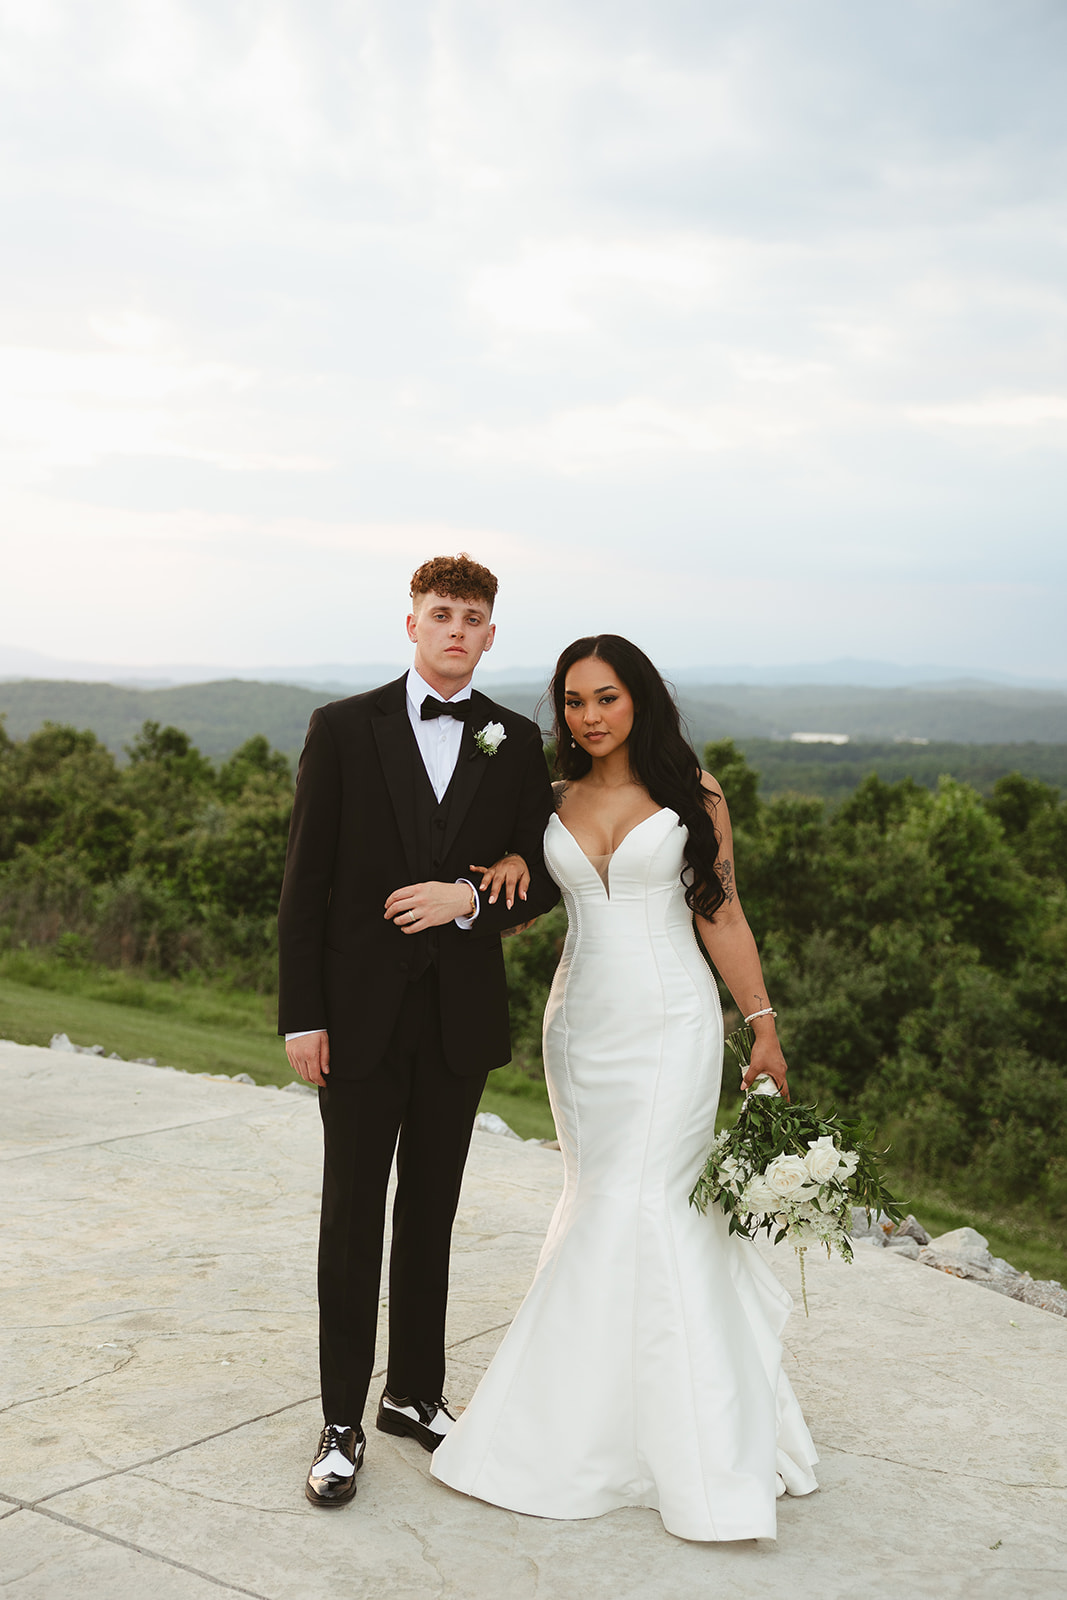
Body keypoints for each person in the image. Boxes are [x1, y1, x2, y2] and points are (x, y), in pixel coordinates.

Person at [432, 634, 819, 1541]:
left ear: (638, 699)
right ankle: (594, 1417)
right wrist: (502, 875)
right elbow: (511, 899)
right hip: (579, 1024)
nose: (589, 716)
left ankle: (690, 1443)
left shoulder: (694, 792)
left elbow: (719, 909)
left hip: (672, 1024)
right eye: (573, 702)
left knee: (648, 1203)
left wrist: (761, 1025)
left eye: (605, 697)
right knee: (598, 1194)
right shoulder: (549, 797)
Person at [278, 554, 560, 1508]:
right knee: (352, 1220)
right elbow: (304, 887)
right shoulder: (342, 728)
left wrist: (469, 897)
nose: (454, 630)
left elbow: (548, 872)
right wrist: (301, 1016)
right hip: (353, 1022)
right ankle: (341, 1421)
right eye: (439, 613)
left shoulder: (515, 740)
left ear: (489, 636)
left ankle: (414, 1394)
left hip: (456, 1026)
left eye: (471, 617)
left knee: (430, 1214)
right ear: (411, 625)